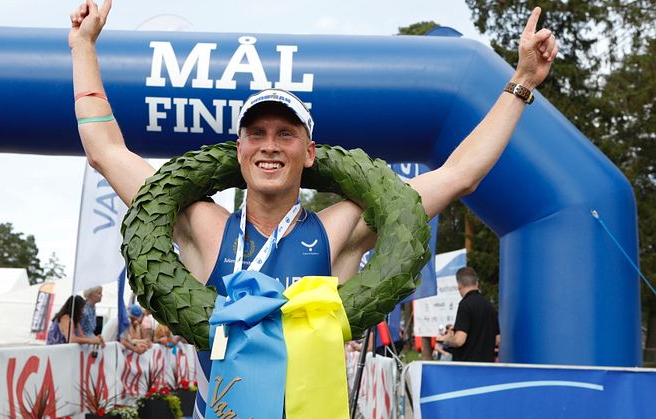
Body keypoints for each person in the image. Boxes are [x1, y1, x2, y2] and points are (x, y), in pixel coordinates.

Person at [68, 1, 556, 415]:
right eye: (256, 134)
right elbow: (106, 151)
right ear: (238, 150)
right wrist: (83, 48)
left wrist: (521, 83)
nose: (269, 146)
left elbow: (458, 175)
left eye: (286, 134)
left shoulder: (338, 228)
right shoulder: (203, 223)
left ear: (310, 151)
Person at [438, 267, 500, 362]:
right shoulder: (490, 306)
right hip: (487, 366)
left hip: (466, 366)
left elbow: (459, 340)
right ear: (477, 283)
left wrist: (446, 339)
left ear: (459, 285)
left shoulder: (465, 305)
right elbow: (497, 340)